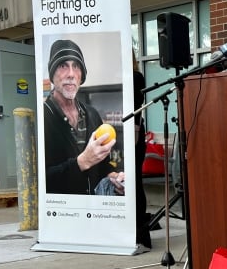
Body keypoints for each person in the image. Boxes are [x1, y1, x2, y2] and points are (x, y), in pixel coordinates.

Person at [43, 39, 125, 195]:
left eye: (76, 66)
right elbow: (40, 180)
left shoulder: (92, 114)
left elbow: (104, 165)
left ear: (82, 76)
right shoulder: (42, 118)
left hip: (92, 211)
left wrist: (113, 176)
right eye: (63, 66)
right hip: (61, 213)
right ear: (52, 74)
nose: (71, 74)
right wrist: (82, 162)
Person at [132, 51, 153, 249]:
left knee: (134, 182)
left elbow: (134, 103)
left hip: (133, 135)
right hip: (114, 136)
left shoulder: (136, 77)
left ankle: (141, 233)